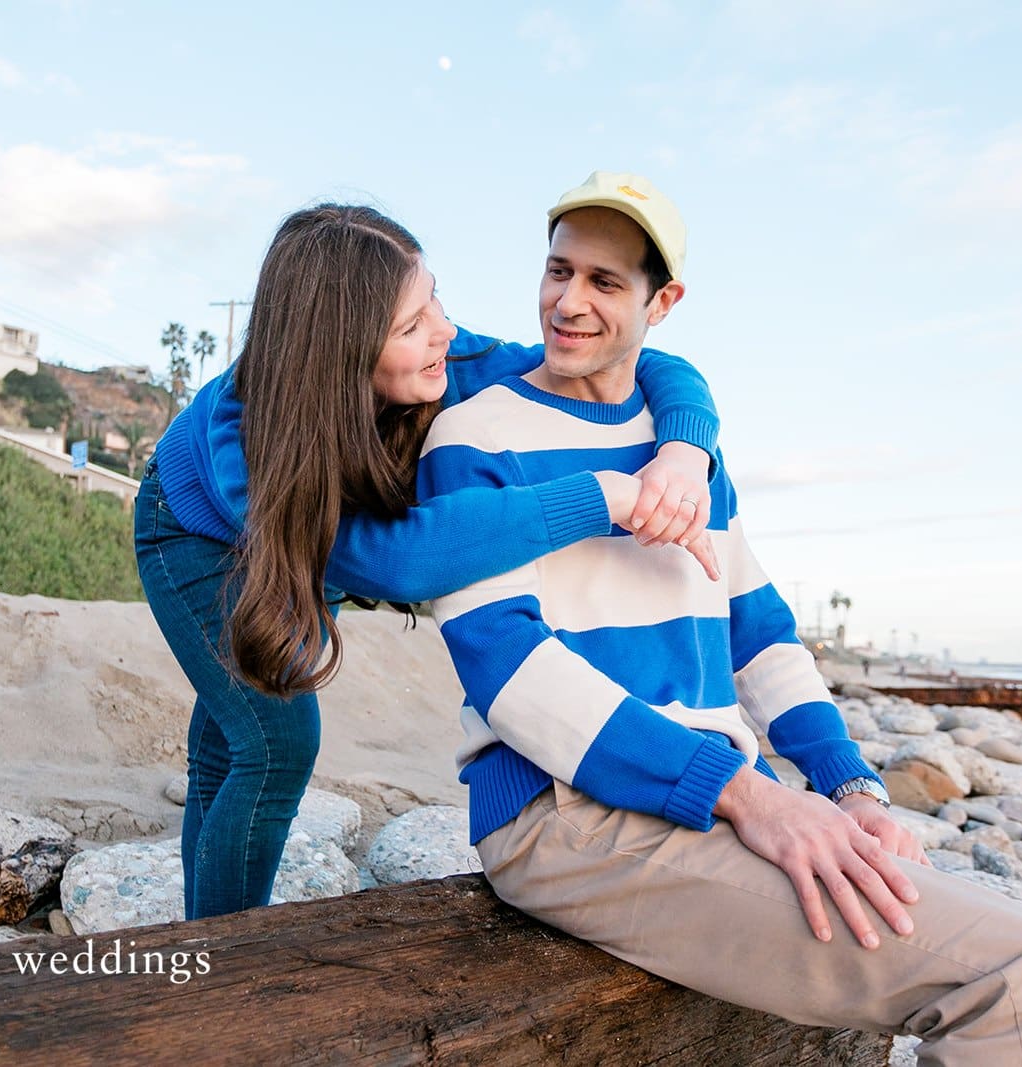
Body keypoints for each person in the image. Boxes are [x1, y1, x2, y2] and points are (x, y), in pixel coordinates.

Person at [420, 172, 1022, 1065]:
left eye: (605, 282)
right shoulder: (473, 437)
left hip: (695, 800)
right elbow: (510, 673)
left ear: (665, 301)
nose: (568, 302)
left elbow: (758, 634)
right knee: (1009, 970)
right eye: (558, 271)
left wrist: (852, 790)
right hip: (567, 815)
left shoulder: (687, 453)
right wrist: (751, 795)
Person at [136, 203, 726, 919]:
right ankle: (223, 970)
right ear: (341, 351)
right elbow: (399, 561)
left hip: (302, 534)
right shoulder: (247, 445)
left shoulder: (453, 356)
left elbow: (641, 361)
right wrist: (601, 496)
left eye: (434, 298)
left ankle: (201, 934)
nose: (443, 329)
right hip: (193, 532)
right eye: (411, 325)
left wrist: (684, 453)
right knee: (273, 738)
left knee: (231, 739)